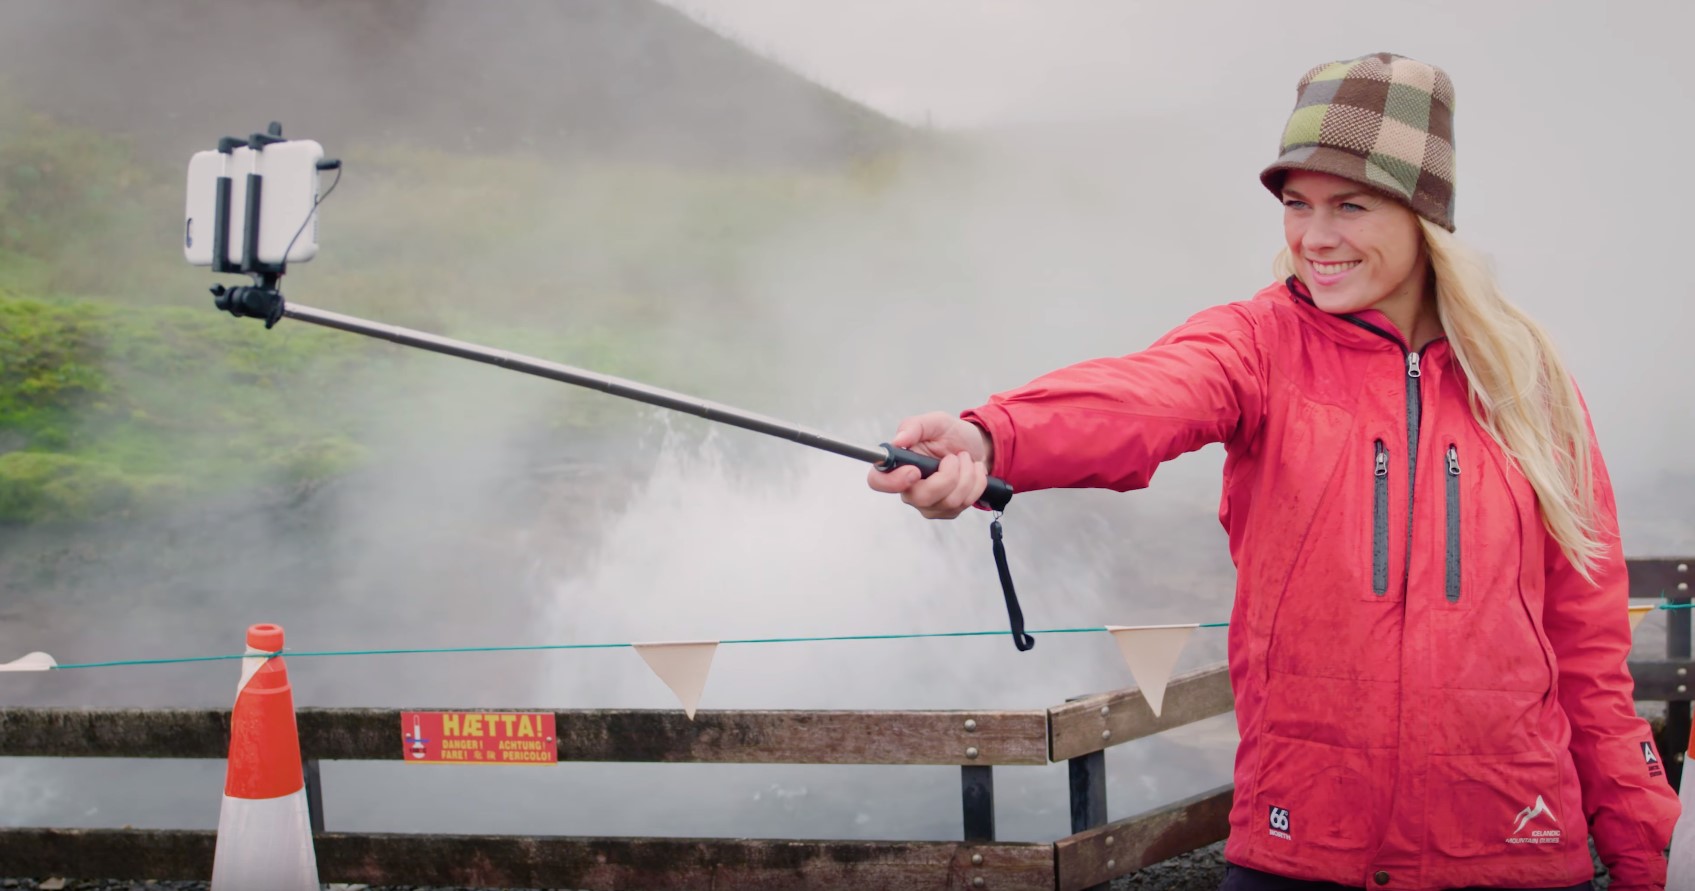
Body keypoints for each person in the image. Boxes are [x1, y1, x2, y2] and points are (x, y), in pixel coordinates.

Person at [868, 53, 1679, 891]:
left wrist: (1644, 856)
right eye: (1296, 205)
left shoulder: (1526, 383)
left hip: (1511, 849)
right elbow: (1144, 398)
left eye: (1348, 206)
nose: (1313, 238)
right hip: (1301, 854)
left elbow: (1588, 655)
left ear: (1422, 213)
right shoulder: (1258, 345)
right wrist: (991, 438)